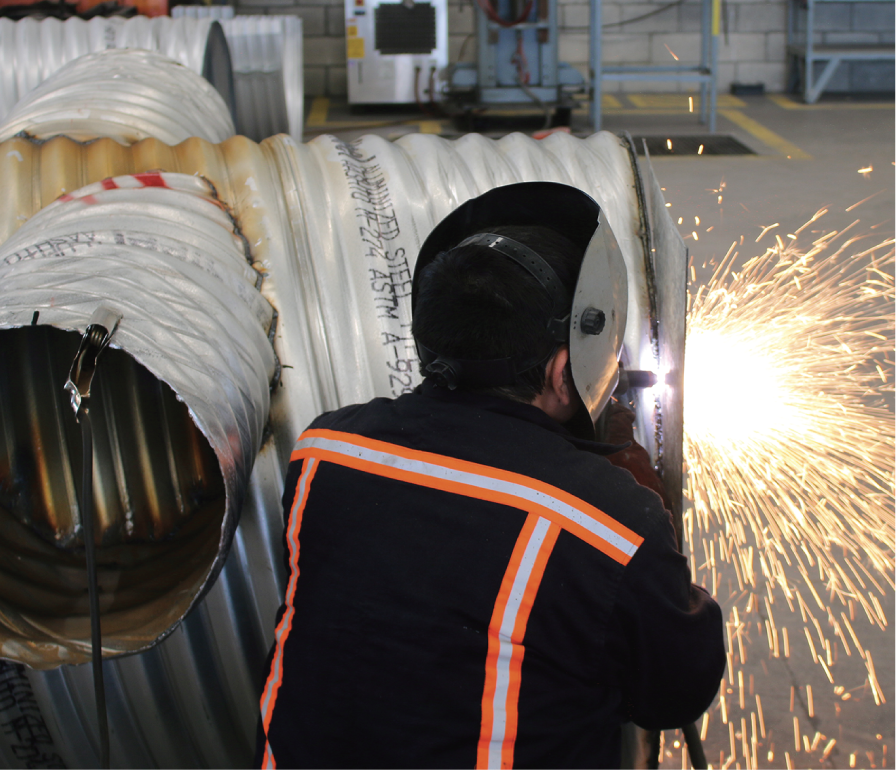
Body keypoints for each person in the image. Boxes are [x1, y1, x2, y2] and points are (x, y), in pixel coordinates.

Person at [254, 182, 725, 770]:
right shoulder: (612, 524)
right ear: (561, 372)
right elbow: (676, 693)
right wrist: (638, 495)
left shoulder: (326, 449)